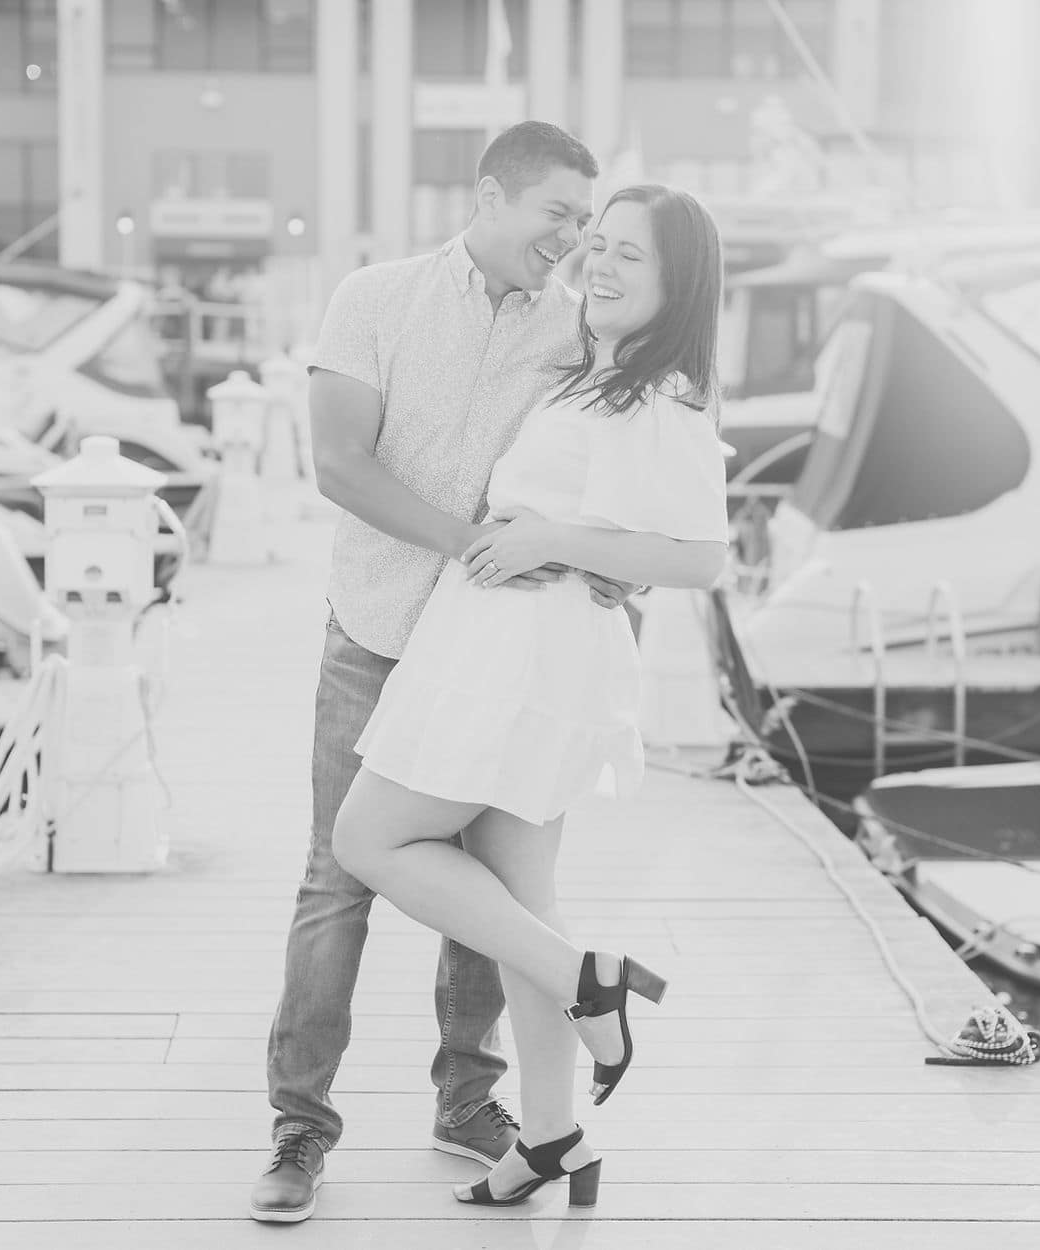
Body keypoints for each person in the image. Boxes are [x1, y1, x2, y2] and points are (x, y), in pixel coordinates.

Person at [331, 184, 730, 1208]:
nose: (597, 264)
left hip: (521, 653)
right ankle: (552, 1135)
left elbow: (699, 557)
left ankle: (587, 975)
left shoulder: (661, 393)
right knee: (517, 899)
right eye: (595, 245)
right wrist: (573, 541)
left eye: (628, 255)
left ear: (678, 280)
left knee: (368, 839)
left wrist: (555, 540)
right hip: (508, 637)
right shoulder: (599, 378)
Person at [250, 121, 620, 1225]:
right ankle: (299, 1128)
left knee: (486, 889)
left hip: (496, 654)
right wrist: (470, 545)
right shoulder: (373, 297)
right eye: (555, 212)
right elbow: (340, 466)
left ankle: (469, 1101)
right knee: (337, 882)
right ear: (490, 194)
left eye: (585, 222)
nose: (571, 239)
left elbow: (593, 484)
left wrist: (603, 564)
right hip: (375, 629)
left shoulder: (578, 337)